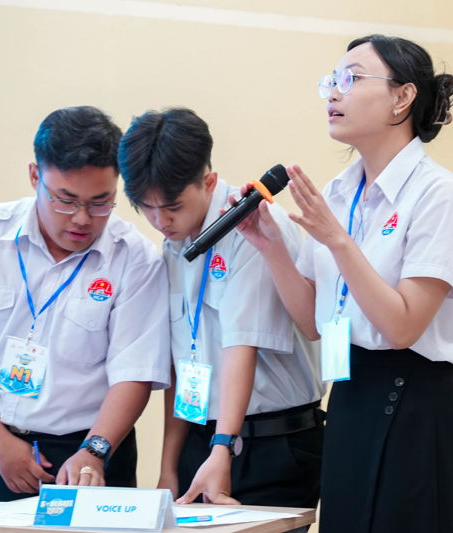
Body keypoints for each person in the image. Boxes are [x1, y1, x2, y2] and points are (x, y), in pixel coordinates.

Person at [235, 35, 453, 532]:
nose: (333, 93)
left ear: (402, 97)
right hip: (349, 393)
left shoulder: (440, 195)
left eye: (350, 79)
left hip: (412, 397)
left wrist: (337, 241)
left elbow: (403, 327)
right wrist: (271, 246)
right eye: (331, 81)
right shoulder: (338, 193)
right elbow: (313, 323)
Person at [0, 106, 170, 506]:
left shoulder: (135, 258)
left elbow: (135, 372)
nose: (82, 218)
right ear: (35, 176)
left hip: (95, 451)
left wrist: (95, 451)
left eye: (101, 202)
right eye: (66, 200)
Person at [117, 108, 324, 510]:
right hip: (206, 441)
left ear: (208, 181)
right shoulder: (175, 242)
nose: (160, 221)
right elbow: (184, 368)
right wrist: (169, 467)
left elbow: (240, 348)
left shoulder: (253, 225)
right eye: (146, 207)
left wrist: (223, 447)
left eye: (172, 206)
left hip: (271, 443)